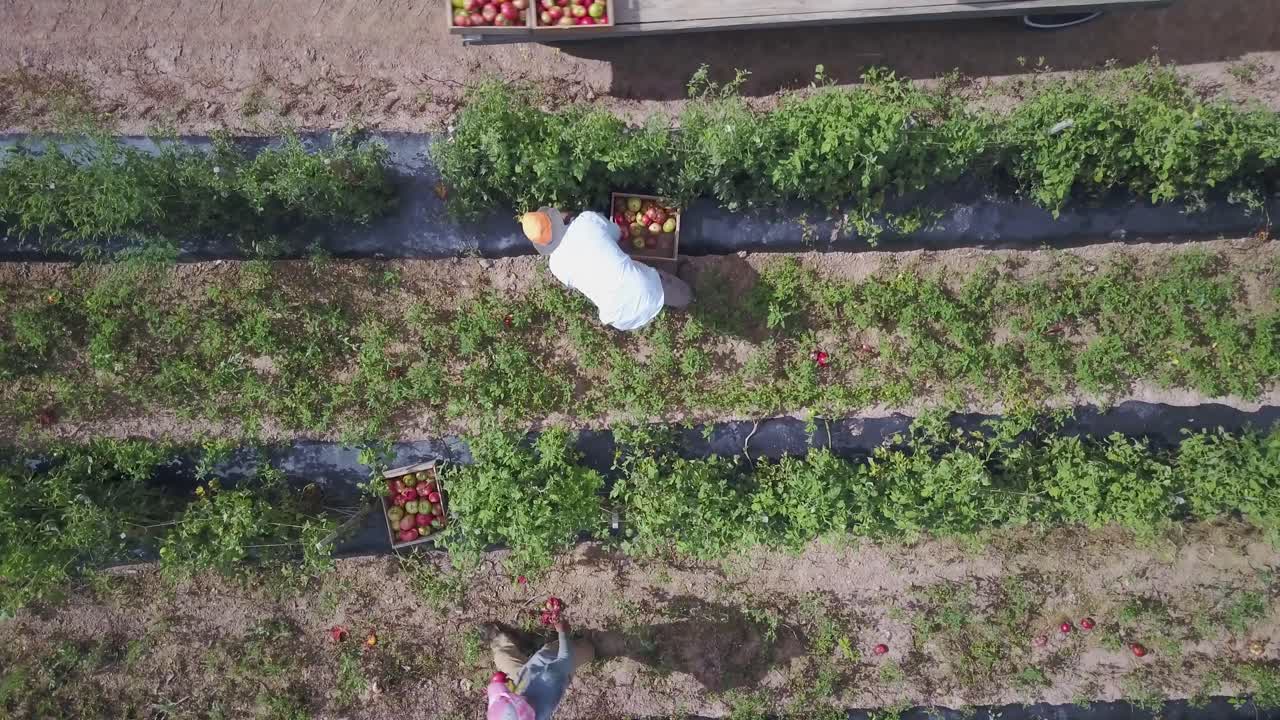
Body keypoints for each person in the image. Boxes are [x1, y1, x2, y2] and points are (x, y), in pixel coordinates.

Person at [520, 207, 692, 331]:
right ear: (555, 218)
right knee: (662, 286)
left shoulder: (556, 266)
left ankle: (653, 312)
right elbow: (617, 234)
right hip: (642, 289)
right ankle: (686, 299)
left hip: (616, 314)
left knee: (632, 288)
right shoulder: (586, 221)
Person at [483, 618, 594, 720]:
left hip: (525, 676)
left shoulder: (512, 710)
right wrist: (563, 633)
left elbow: (501, 695)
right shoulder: (549, 683)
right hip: (552, 662)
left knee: (502, 656)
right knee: (588, 649)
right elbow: (565, 658)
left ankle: (499, 640)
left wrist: (501, 683)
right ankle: (594, 644)